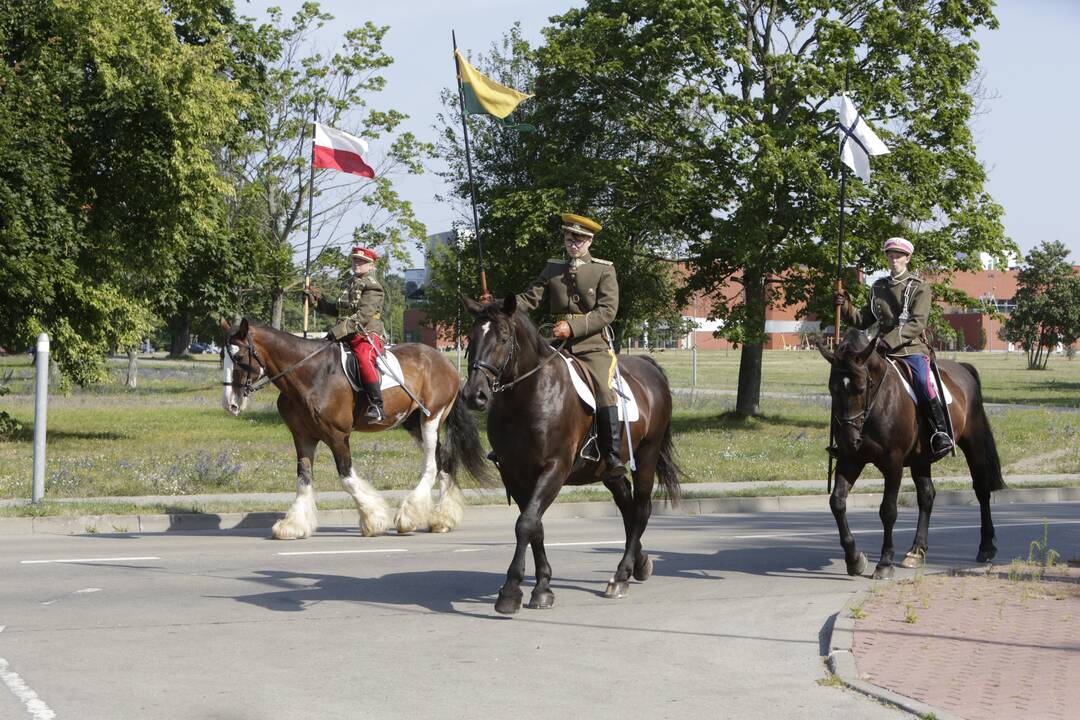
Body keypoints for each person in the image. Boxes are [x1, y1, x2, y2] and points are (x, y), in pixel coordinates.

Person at [514, 213, 625, 479]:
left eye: (579, 239)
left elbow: (607, 311)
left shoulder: (603, 270)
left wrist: (573, 327)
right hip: (555, 344)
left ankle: (612, 455)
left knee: (602, 388)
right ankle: (513, 445)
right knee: (522, 380)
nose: (573, 244)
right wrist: (496, 305)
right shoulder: (553, 269)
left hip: (591, 345)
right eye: (568, 239)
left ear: (589, 241)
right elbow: (529, 299)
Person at [834, 236, 953, 456]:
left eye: (898, 256)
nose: (894, 260)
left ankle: (940, 432)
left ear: (908, 258)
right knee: (848, 382)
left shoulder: (919, 287)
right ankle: (844, 438)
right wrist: (846, 306)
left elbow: (917, 324)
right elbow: (862, 320)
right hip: (879, 350)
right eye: (890, 256)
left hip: (910, 348)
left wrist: (888, 342)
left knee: (921, 381)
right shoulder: (878, 286)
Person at [306, 246, 386, 421]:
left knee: (364, 359)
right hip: (344, 334)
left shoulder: (373, 287)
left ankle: (377, 405)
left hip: (365, 334)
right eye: (355, 260)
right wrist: (316, 302)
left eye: (363, 261)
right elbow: (338, 310)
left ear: (371, 266)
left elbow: (363, 316)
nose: (358, 264)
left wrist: (335, 332)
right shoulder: (347, 283)